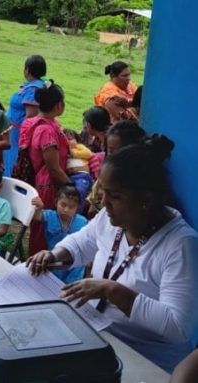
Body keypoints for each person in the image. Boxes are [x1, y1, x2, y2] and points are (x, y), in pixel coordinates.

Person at [28, 134, 198, 373]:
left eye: (115, 196)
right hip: (100, 338)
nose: (103, 202)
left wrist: (112, 290)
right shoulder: (113, 218)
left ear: (145, 201)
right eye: (103, 191)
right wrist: (55, 255)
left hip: (147, 361)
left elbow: (178, 326)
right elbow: (82, 242)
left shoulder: (180, 244)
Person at [23, 80, 70, 255]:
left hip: (46, 184)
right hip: (49, 186)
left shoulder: (37, 122)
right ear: (59, 106)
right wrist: (71, 187)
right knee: (45, 231)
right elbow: (53, 168)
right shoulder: (47, 130)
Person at [87, 120, 146, 219]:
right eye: (111, 150)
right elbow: (92, 209)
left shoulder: (137, 183)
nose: (114, 156)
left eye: (120, 151)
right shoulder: (107, 172)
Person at [31, 186, 87, 284]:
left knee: (70, 287)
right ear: (56, 202)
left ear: (77, 208)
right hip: (54, 260)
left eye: (71, 207)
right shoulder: (49, 215)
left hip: (75, 266)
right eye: (63, 205)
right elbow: (37, 217)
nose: (66, 209)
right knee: (51, 285)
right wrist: (39, 208)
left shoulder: (83, 222)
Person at [4, 54, 46, 176]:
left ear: (26, 70)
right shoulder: (32, 86)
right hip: (13, 132)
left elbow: (30, 117)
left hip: (18, 134)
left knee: (13, 162)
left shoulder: (33, 89)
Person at [63, 128, 93, 212]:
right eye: (65, 139)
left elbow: (89, 154)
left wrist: (73, 153)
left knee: (80, 192)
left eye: (70, 139)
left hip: (82, 175)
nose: (68, 142)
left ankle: (77, 212)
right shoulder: (63, 151)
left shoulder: (78, 147)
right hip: (70, 177)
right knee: (68, 194)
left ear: (77, 140)